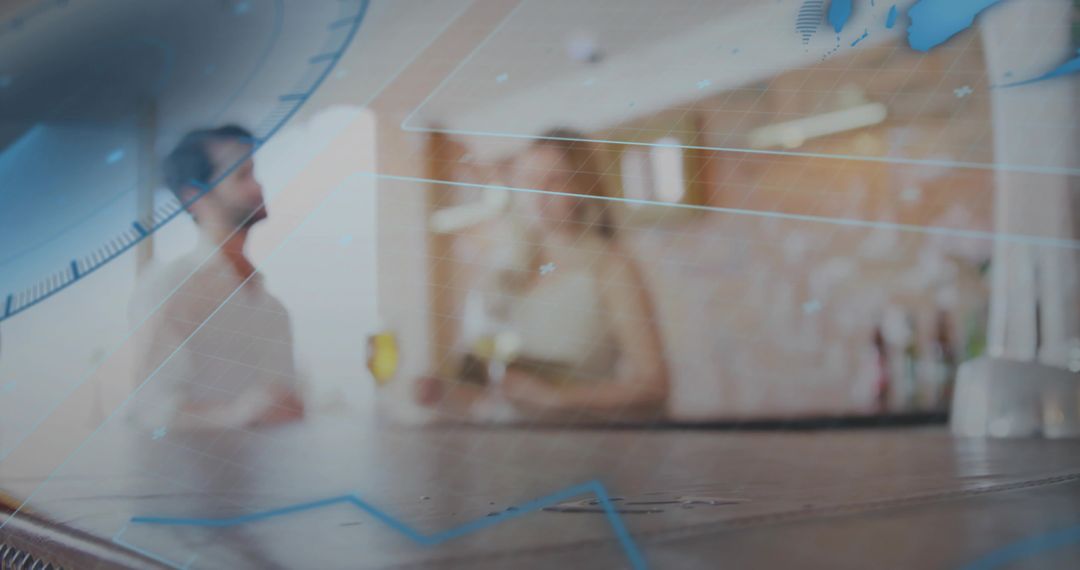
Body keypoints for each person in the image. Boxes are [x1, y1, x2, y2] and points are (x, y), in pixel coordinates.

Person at [416, 130, 670, 422]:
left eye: (555, 180)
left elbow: (654, 387)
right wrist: (447, 393)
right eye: (529, 181)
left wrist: (561, 400)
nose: (538, 194)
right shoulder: (503, 266)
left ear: (582, 187)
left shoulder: (611, 268)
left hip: (580, 454)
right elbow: (491, 386)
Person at [129, 125, 303, 430]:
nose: (257, 187)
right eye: (241, 176)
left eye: (254, 173)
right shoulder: (169, 287)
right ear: (195, 196)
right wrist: (242, 414)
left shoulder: (270, 305)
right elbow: (152, 410)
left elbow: (286, 402)